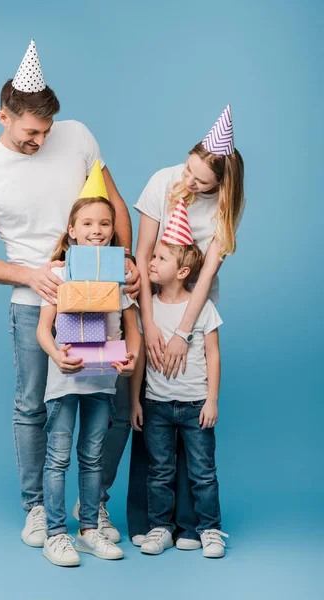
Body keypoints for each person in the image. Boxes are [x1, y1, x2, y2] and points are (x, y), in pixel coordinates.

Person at [0, 39, 139, 546]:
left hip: (104, 295)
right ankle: (38, 507)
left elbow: (115, 204)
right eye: (31, 132)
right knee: (33, 406)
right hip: (37, 303)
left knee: (115, 400)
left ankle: (92, 503)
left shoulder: (77, 136)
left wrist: (130, 261)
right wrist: (29, 275)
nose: (42, 139)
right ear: (3, 116)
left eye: (47, 129)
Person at [127, 105, 245, 548]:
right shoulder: (164, 180)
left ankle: (193, 526)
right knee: (154, 409)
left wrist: (182, 332)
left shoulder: (226, 207)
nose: (190, 181)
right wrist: (150, 322)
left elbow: (207, 272)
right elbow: (142, 255)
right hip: (153, 302)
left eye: (201, 181)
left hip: (194, 308)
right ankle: (149, 522)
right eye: (190, 170)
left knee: (190, 408)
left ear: (221, 184)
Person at [37, 188, 141, 567]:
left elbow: (133, 331)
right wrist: (55, 355)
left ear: (114, 232)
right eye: (88, 223)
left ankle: (88, 531)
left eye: (105, 224)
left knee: (93, 457)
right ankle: (54, 534)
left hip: (101, 382)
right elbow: (43, 331)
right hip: (65, 383)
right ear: (72, 230)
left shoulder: (119, 277)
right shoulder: (60, 273)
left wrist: (129, 360)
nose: (97, 230)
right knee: (58, 458)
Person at [131, 202, 228, 557]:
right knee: (159, 472)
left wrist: (212, 399)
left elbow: (213, 354)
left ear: (184, 270)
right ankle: (160, 527)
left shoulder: (202, 308)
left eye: (159, 258)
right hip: (156, 405)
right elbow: (141, 354)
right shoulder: (149, 310)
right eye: (152, 256)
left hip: (194, 405)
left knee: (203, 472)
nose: (151, 263)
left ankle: (209, 529)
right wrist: (135, 400)